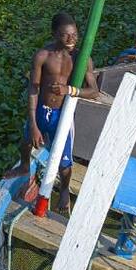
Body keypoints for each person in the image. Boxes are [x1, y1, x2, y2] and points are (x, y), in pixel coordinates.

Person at [7, 12, 99, 214]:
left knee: (64, 165)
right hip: (41, 109)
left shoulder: (81, 59)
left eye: (74, 35)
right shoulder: (43, 56)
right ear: (54, 34)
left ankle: (65, 190)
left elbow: (94, 92)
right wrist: (33, 124)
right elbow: (34, 89)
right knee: (25, 144)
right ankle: (24, 166)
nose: (71, 40)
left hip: (62, 116)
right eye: (66, 35)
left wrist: (70, 90)